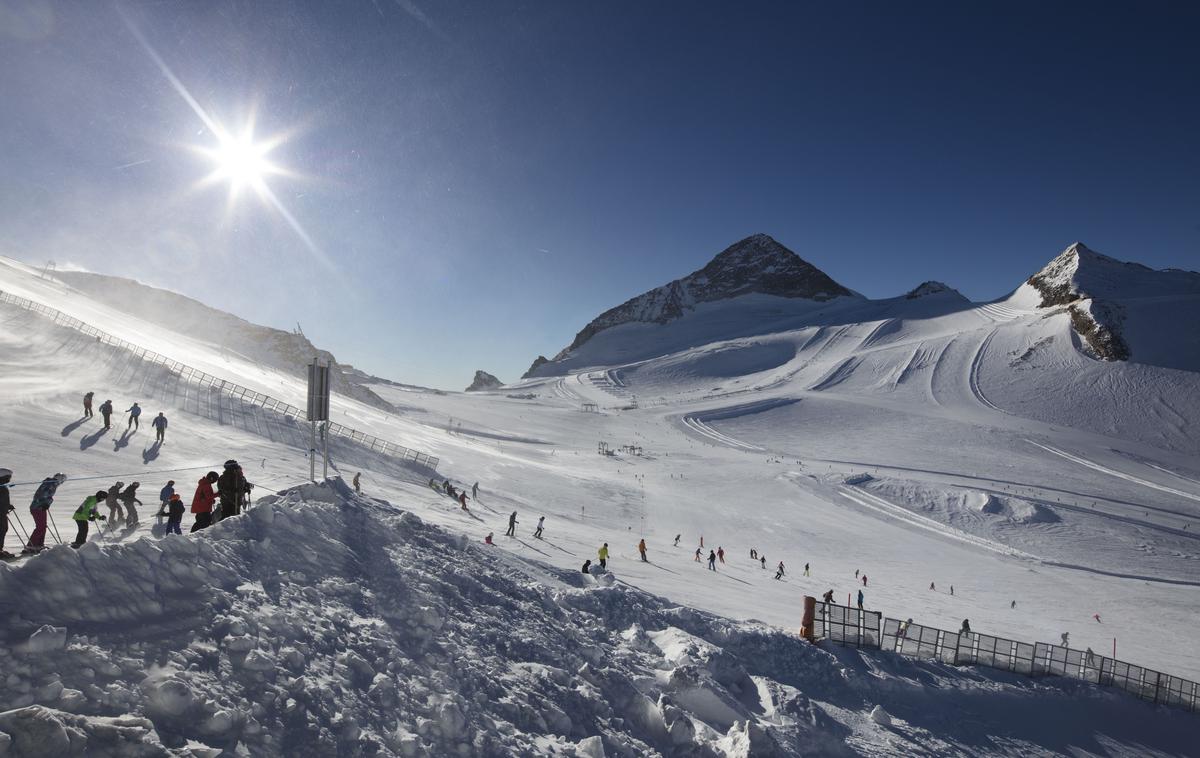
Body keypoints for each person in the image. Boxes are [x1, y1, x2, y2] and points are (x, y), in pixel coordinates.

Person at [24, 474, 66, 553]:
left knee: (43, 526)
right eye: (62, 481)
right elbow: (43, 495)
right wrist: (46, 503)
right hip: (38, 507)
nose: (62, 483)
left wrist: (46, 503)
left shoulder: (49, 483)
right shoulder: (51, 484)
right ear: (60, 480)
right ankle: (31, 545)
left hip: (39, 507)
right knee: (41, 526)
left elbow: (44, 495)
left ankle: (39, 544)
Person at [0, 468, 14, 558]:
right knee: (1, 529)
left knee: (3, 529)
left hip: (2, 512)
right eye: (8, 477)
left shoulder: (3, 486)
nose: (9, 479)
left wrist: (8, 505)